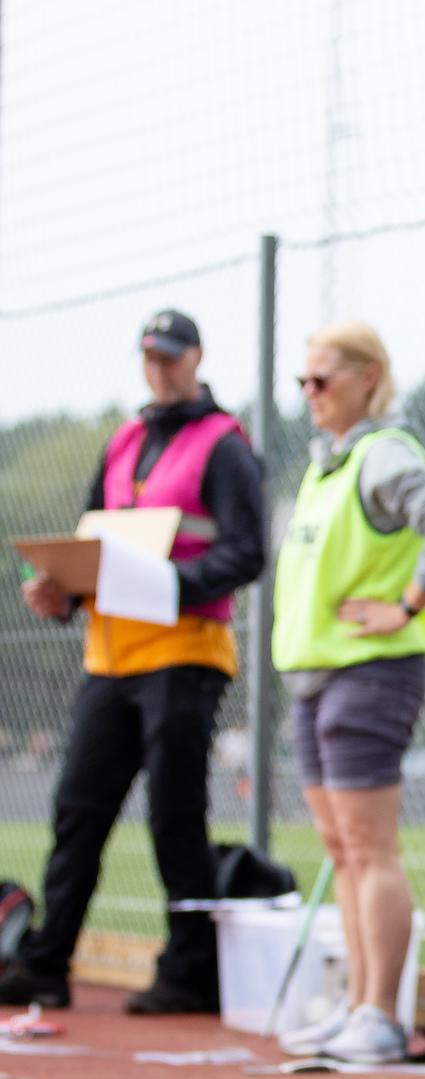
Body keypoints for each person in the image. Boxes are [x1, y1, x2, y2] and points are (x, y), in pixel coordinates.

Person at [0, 310, 266, 1013]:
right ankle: (46, 962)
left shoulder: (224, 444)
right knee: (78, 810)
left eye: (172, 356)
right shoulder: (124, 440)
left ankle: (188, 973)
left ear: (197, 357)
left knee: (174, 816)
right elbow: (96, 538)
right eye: (150, 355)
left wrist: (177, 584)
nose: (160, 367)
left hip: (184, 651)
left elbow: (247, 551)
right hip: (110, 653)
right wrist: (66, 591)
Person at [270, 320, 425, 1062]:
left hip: (370, 671)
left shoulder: (383, 454)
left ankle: (381, 1015)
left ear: (366, 378)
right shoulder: (327, 465)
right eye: (303, 381)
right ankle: (358, 1003)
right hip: (316, 675)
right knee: (341, 849)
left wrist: (408, 604)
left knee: (368, 845)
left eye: (321, 380)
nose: (309, 394)